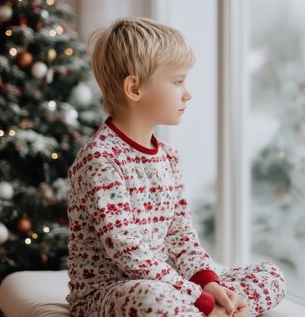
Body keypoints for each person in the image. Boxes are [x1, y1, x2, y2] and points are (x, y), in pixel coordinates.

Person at [65, 17, 286, 316]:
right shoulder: (101, 160)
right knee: (153, 299)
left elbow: (180, 234)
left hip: (171, 283)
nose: (187, 92)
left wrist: (207, 284)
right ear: (134, 88)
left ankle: (218, 311)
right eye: (178, 81)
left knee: (270, 276)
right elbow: (127, 250)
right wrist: (199, 298)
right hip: (112, 292)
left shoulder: (169, 158)